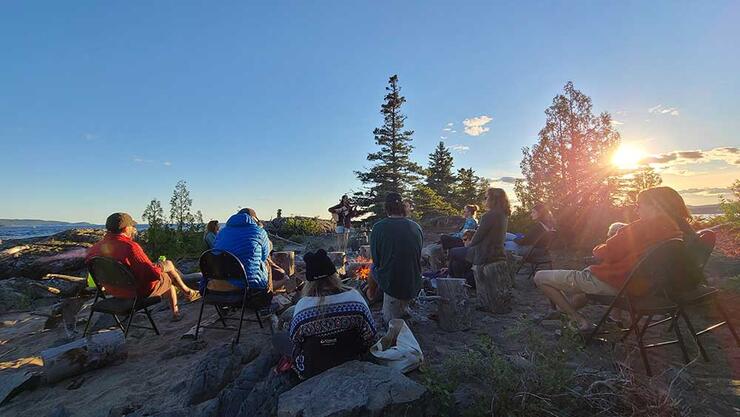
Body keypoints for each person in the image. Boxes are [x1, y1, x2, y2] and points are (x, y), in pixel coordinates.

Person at [533, 187, 690, 333]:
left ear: (655, 206)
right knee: (584, 292)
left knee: (540, 277)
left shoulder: (640, 227)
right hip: (638, 285)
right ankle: (560, 313)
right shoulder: (673, 229)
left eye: (639, 205)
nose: (637, 209)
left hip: (613, 282)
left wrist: (600, 246)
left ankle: (578, 320)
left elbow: (604, 253)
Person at [272, 249, 377, 380]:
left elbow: (296, 341)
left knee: (277, 338)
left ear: (309, 282)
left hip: (313, 367)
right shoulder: (355, 298)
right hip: (351, 358)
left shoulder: (303, 307)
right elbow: (370, 335)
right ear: (334, 275)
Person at [85, 212, 200, 321]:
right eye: (132, 226)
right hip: (136, 292)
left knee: (166, 271)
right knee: (168, 273)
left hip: (114, 291)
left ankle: (187, 295)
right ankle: (179, 308)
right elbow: (151, 274)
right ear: (126, 228)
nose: (133, 229)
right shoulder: (130, 247)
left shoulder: (94, 249)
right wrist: (160, 266)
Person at [369, 192, 423, 324]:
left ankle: (371, 296)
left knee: (372, 268)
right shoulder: (416, 227)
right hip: (414, 282)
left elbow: (376, 260)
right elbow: (418, 255)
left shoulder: (378, 227)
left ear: (386, 208)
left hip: (394, 285)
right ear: (403, 208)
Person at [448, 189, 510, 283]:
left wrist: (469, 244)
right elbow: (488, 233)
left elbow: (478, 238)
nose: (485, 200)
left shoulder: (489, 215)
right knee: (457, 260)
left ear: (492, 199)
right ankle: (461, 279)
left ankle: (453, 280)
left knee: (453, 252)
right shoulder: (503, 214)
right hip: (496, 251)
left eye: (486, 197)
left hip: (485, 252)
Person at [209, 208, 271, 292]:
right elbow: (264, 257)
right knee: (267, 263)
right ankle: (267, 296)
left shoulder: (221, 232)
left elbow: (215, 252)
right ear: (254, 219)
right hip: (247, 284)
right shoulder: (259, 232)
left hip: (218, 280)